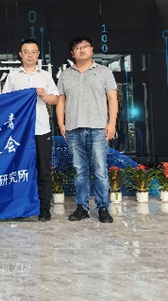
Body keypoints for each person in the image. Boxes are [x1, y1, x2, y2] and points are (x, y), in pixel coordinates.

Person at [56, 36, 118, 224]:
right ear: (72, 53)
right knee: (80, 171)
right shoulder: (66, 74)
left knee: (100, 170)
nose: (81, 50)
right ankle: (82, 207)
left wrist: (112, 123)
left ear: (92, 49)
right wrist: (61, 123)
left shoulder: (104, 72)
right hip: (73, 129)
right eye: (77, 48)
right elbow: (61, 100)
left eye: (85, 46)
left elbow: (112, 98)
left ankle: (103, 208)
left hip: (98, 128)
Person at [3, 39, 59, 222]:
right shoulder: (13, 76)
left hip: (41, 129)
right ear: (20, 54)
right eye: (26, 51)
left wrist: (44, 95)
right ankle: (21, 208)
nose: (29, 55)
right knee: (19, 170)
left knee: (43, 170)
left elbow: (56, 99)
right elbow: (5, 101)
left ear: (38, 54)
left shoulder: (45, 76)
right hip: (19, 132)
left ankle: (44, 209)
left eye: (33, 51)